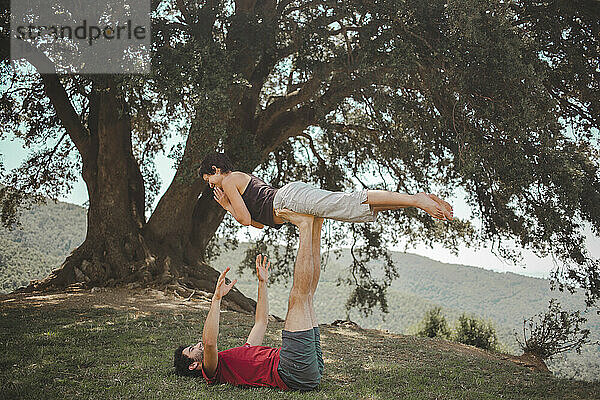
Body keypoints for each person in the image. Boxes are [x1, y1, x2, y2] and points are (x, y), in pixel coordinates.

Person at [173, 210, 325, 391]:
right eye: (192, 350)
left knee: (306, 297)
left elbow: (260, 322)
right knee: (298, 297)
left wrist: (262, 283)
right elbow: (209, 342)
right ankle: (305, 226)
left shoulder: (238, 357)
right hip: (292, 371)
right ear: (193, 365)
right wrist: (216, 298)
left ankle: (316, 225)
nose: (197, 344)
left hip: (306, 370)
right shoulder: (212, 370)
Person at [198, 151, 453, 229]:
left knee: (349, 201)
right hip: (290, 202)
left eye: (207, 177)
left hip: (288, 198)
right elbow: (259, 225)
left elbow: (243, 219)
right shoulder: (236, 181)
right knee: (354, 210)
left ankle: (416, 199)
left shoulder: (229, 181)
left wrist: (226, 206)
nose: (209, 183)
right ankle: (414, 201)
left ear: (215, 169)